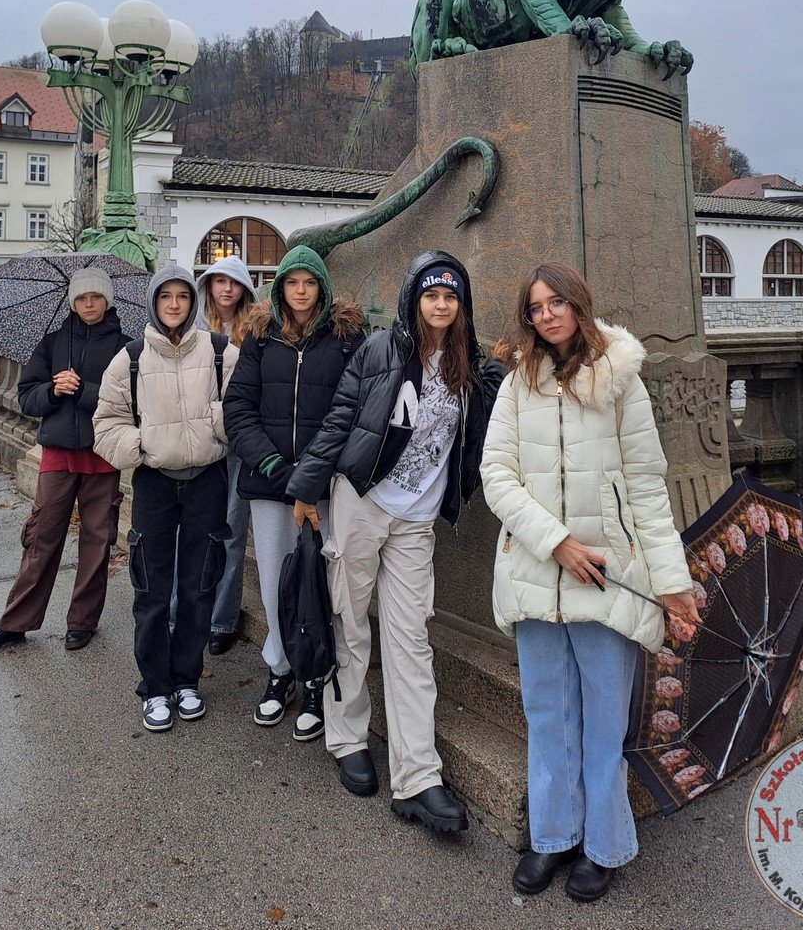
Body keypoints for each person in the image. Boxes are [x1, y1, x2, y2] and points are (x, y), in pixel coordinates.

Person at [480, 263, 700, 904]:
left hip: (608, 576)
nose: (547, 315)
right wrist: (556, 542)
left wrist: (672, 582)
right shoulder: (517, 383)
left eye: (557, 302)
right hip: (536, 571)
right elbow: (497, 474)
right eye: (535, 307)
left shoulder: (620, 380)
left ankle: (603, 845)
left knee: (604, 722)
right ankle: (552, 836)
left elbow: (647, 488)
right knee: (547, 714)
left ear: (579, 304)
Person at [287, 251, 504, 833]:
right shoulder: (380, 350)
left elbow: (485, 428)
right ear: (414, 299)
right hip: (362, 501)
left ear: (461, 305)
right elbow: (341, 419)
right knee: (350, 620)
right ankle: (348, 737)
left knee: (411, 640)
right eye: (431, 294)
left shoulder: (470, 367)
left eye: (450, 296)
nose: (440, 304)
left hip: (416, 522)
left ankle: (418, 777)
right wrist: (306, 488)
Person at [223, 245, 365, 741]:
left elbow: (353, 410)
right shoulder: (260, 337)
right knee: (275, 581)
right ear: (280, 287)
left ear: (322, 287)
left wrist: (314, 471)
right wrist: (275, 465)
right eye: (292, 282)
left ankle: (315, 675)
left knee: (321, 582)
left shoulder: (347, 338)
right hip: (271, 483)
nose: (300, 291)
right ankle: (281, 668)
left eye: (309, 282)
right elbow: (238, 409)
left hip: (324, 486)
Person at [93, 266, 238, 732]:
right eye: (165, 297)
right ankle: (155, 686)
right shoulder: (131, 358)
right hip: (155, 482)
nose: (174, 305)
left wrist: (217, 424)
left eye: (182, 296)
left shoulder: (221, 352)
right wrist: (141, 446)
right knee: (152, 589)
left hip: (207, 480)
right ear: (154, 302)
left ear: (192, 302)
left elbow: (244, 410)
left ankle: (186, 679)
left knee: (199, 584)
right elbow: (106, 423)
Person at [0, 268, 130, 656]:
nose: (89, 304)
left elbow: (132, 401)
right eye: (82, 298)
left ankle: (82, 622)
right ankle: (14, 622)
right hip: (58, 453)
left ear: (107, 300)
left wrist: (84, 392)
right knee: (41, 537)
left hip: (102, 454)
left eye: (96, 296)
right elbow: (27, 398)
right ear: (72, 302)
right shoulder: (51, 343)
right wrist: (53, 390)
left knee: (97, 541)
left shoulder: (126, 347)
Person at [194, 255, 256, 656]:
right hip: (201, 440)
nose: (227, 289)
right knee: (194, 532)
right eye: (219, 281)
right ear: (209, 287)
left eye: (233, 282)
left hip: (239, 442)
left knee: (232, 531)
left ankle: (222, 620)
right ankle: (187, 614)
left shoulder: (256, 329)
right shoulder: (195, 328)